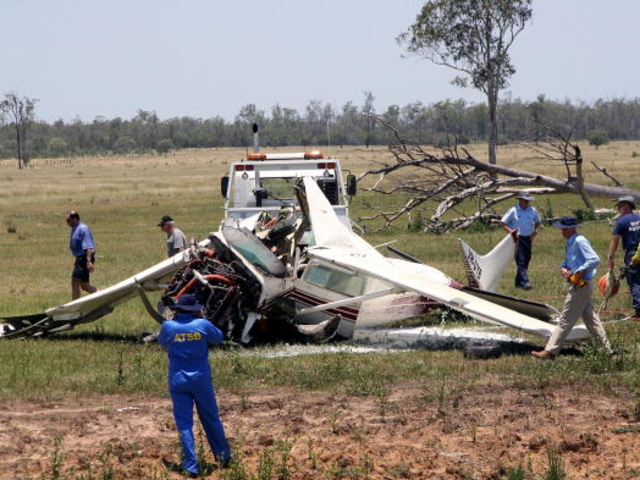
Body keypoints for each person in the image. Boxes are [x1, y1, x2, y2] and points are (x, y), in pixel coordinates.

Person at [158, 294, 232, 476]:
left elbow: (162, 342)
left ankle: (191, 466)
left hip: (178, 379)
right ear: (194, 310)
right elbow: (219, 338)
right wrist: (204, 321)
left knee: (184, 424)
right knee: (211, 418)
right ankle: (223, 457)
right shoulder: (202, 325)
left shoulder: (168, 326)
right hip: (200, 379)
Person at [531, 216, 612, 360]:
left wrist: (578, 272)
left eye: (564, 228)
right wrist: (563, 268)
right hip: (580, 285)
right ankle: (606, 350)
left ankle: (550, 351)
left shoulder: (579, 241)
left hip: (580, 285)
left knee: (566, 319)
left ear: (571, 228)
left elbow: (594, 259)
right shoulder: (570, 242)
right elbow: (568, 261)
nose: (562, 231)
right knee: (591, 319)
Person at [606, 195, 640, 318]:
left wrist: (610, 257)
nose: (619, 209)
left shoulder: (622, 221)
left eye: (620, 206)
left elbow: (615, 241)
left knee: (635, 281)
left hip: (632, 254)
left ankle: (639, 311)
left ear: (627, 206)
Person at [500, 192, 541, 290]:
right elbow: (503, 223)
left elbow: (538, 222)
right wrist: (511, 232)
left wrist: (534, 233)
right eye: (526, 201)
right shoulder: (513, 210)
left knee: (527, 259)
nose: (527, 203)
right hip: (517, 238)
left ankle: (518, 283)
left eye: (528, 201)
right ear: (520, 200)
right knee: (521, 260)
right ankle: (525, 282)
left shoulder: (532, 210)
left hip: (528, 238)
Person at [66, 210, 98, 300]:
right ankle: (104, 295)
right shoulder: (75, 228)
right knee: (84, 285)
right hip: (80, 258)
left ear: (75, 219)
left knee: (75, 282)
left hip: (84, 258)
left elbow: (89, 247)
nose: (67, 223)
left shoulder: (83, 228)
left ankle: (74, 305)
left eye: (68, 220)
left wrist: (88, 261)